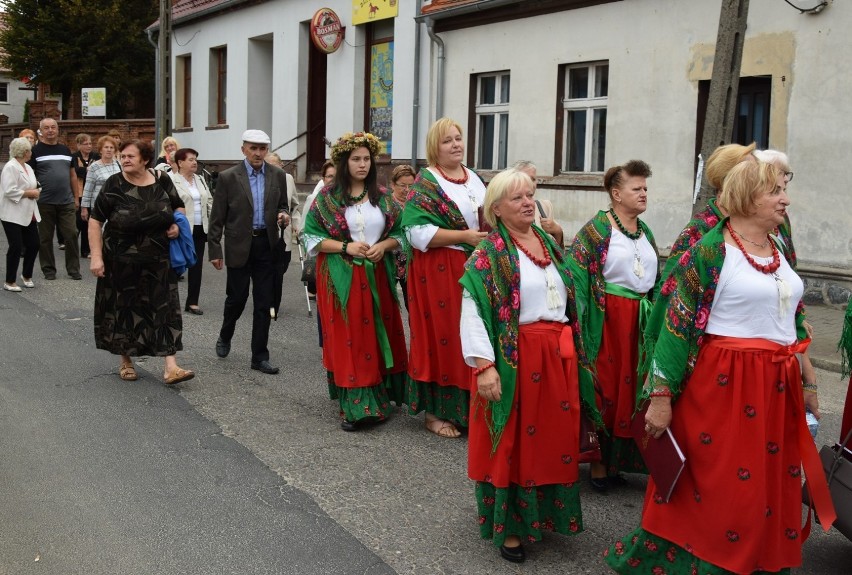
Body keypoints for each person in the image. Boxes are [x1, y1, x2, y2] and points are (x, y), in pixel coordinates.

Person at [604, 159, 835, 574]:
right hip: (726, 386)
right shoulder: (710, 253)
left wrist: (809, 378)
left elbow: (793, 316)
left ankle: (760, 559)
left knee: (764, 482)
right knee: (724, 488)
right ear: (748, 197)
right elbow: (675, 330)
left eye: (784, 188)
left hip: (775, 387)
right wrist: (660, 398)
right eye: (775, 191)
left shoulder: (778, 246)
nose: (786, 199)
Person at [460, 168, 598, 563]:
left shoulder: (547, 244)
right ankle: (512, 528)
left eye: (530, 195)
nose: (527, 203)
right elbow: (472, 311)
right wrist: (484, 365)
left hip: (555, 357)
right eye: (517, 198)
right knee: (514, 443)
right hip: (514, 358)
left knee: (550, 439)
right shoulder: (488, 255)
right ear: (497, 209)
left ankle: (545, 514)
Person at [302, 132, 407, 431]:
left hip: (376, 274)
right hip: (340, 275)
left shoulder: (383, 197)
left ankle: (382, 393)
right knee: (350, 339)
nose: (362, 165)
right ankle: (358, 406)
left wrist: (383, 247)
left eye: (366, 159)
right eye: (355, 159)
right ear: (344, 162)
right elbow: (309, 236)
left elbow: (403, 234)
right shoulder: (327, 197)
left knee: (376, 333)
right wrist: (345, 247)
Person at [568, 159, 658, 491]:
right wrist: (586, 324)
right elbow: (575, 277)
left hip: (639, 321)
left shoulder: (644, 230)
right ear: (616, 193)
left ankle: (619, 459)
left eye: (645, 188)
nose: (644, 194)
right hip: (607, 321)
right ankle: (598, 464)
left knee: (632, 390)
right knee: (605, 388)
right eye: (637, 189)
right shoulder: (596, 230)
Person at [402, 117, 488, 438]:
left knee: (473, 334)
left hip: (473, 266)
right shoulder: (426, 182)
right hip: (439, 269)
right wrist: (464, 236)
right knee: (444, 336)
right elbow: (414, 231)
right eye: (447, 141)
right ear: (434, 148)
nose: (456, 145)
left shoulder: (474, 178)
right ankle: (436, 413)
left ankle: (472, 407)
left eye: (458, 138)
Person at [88, 140, 195, 386]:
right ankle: (126, 360)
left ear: (145, 159)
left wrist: (176, 224)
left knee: (165, 308)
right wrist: (96, 256)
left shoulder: (161, 179)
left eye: (130, 156)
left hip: (158, 258)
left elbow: (177, 206)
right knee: (125, 309)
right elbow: (95, 220)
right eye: (122, 156)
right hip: (120, 259)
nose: (124, 160)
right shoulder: (114, 184)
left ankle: (171, 367)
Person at [208, 129, 291, 375]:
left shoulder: (277, 175)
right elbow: (217, 217)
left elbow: (283, 205)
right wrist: (214, 249)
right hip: (239, 245)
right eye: (252, 148)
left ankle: (259, 356)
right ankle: (226, 333)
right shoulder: (228, 177)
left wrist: (283, 214)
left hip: (267, 245)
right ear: (243, 149)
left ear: (267, 150)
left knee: (264, 303)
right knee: (237, 298)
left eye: (262, 148)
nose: (257, 153)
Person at [28, 118, 81, 281]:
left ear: (58, 130)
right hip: (44, 202)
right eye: (46, 128)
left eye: (53, 127)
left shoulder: (65, 150)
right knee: (45, 238)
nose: (50, 130)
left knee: (71, 234)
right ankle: (48, 270)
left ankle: (73, 270)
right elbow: (29, 176)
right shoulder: (35, 151)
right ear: (41, 131)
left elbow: (73, 175)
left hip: (66, 201)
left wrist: (76, 197)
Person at [170, 148, 214, 315]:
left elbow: (208, 200)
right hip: (180, 228)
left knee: (196, 265)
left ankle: (192, 302)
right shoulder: (172, 180)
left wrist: (214, 221)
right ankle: (170, 302)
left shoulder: (200, 179)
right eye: (190, 159)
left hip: (200, 227)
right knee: (176, 263)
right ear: (180, 163)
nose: (194, 162)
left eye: (195, 159)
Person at [1, 137, 41, 291]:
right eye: (30, 150)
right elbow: (9, 191)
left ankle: (26, 275)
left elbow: (36, 184)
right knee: (16, 246)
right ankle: (9, 281)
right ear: (25, 152)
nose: (31, 152)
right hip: (11, 213)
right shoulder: (10, 167)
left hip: (28, 211)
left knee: (34, 244)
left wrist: (37, 190)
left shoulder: (28, 167)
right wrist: (30, 192)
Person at [265, 152, 302, 275]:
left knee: (282, 269)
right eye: (269, 166)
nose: (273, 169)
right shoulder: (260, 180)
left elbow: (294, 206)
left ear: (282, 165)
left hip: (284, 234)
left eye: (276, 166)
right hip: (265, 236)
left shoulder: (288, 178)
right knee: (265, 275)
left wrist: (297, 224)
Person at [512, 160, 564, 246]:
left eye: (533, 179)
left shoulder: (544, 206)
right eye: (525, 179)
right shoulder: (509, 207)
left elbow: (557, 252)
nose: (530, 183)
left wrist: (558, 232)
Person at [389, 164, 415, 308]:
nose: (407, 190)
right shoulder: (385, 204)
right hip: (389, 259)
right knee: (387, 305)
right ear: (393, 185)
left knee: (412, 305)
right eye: (402, 185)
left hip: (411, 262)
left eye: (411, 186)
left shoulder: (416, 205)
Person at [71, 133, 99, 258]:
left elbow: (97, 171)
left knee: (89, 222)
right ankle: (71, 247)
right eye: (85, 144)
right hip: (78, 192)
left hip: (92, 193)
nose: (89, 146)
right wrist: (88, 170)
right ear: (78, 145)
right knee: (78, 222)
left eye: (90, 143)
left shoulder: (95, 156)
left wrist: (86, 171)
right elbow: (76, 171)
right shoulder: (74, 157)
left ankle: (86, 250)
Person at [80, 136, 121, 222]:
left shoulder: (119, 164)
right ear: (101, 150)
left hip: (116, 206)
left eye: (111, 147)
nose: (109, 150)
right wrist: (84, 208)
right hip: (99, 206)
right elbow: (88, 189)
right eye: (106, 147)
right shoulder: (94, 167)